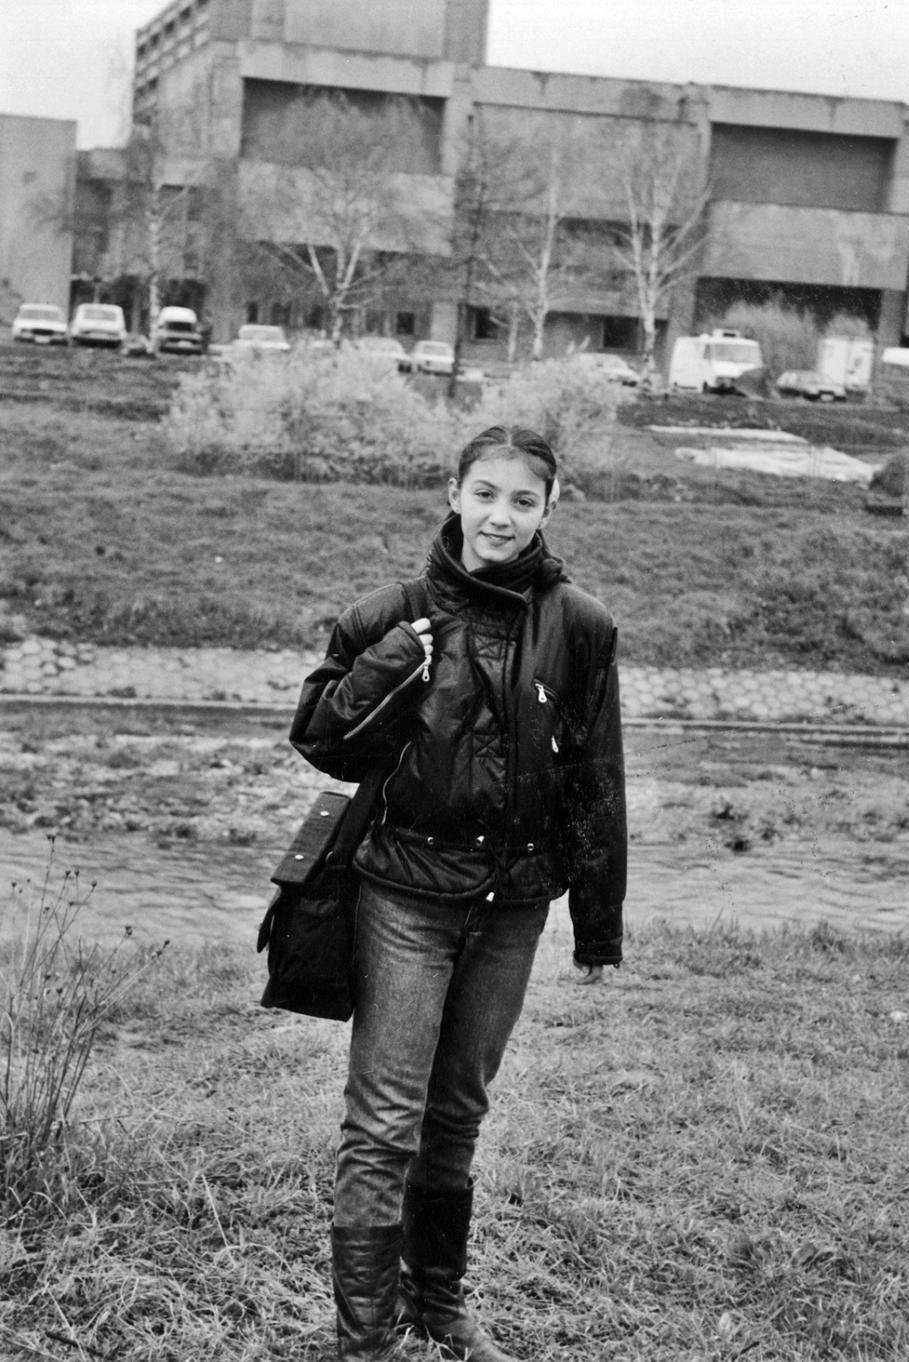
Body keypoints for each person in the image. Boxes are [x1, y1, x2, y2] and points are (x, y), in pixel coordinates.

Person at [290, 424, 627, 1362]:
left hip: (514, 905)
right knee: (385, 1117)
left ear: (550, 508)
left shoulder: (583, 627)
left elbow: (599, 779)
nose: (501, 517)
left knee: (458, 1110)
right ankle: (365, 1341)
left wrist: (597, 926)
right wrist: (392, 662)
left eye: (524, 500)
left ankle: (437, 1303)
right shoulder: (387, 613)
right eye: (485, 494)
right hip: (403, 894)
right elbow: (319, 737)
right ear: (453, 492)